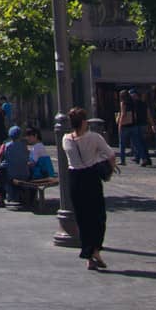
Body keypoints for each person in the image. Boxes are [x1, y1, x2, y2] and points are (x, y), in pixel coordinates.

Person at [63, 105, 118, 270]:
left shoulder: (65, 139)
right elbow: (111, 155)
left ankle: (89, 254)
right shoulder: (94, 138)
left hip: (74, 178)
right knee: (98, 216)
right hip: (91, 178)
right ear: (84, 122)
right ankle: (95, 250)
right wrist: (108, 172)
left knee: (82, 218)